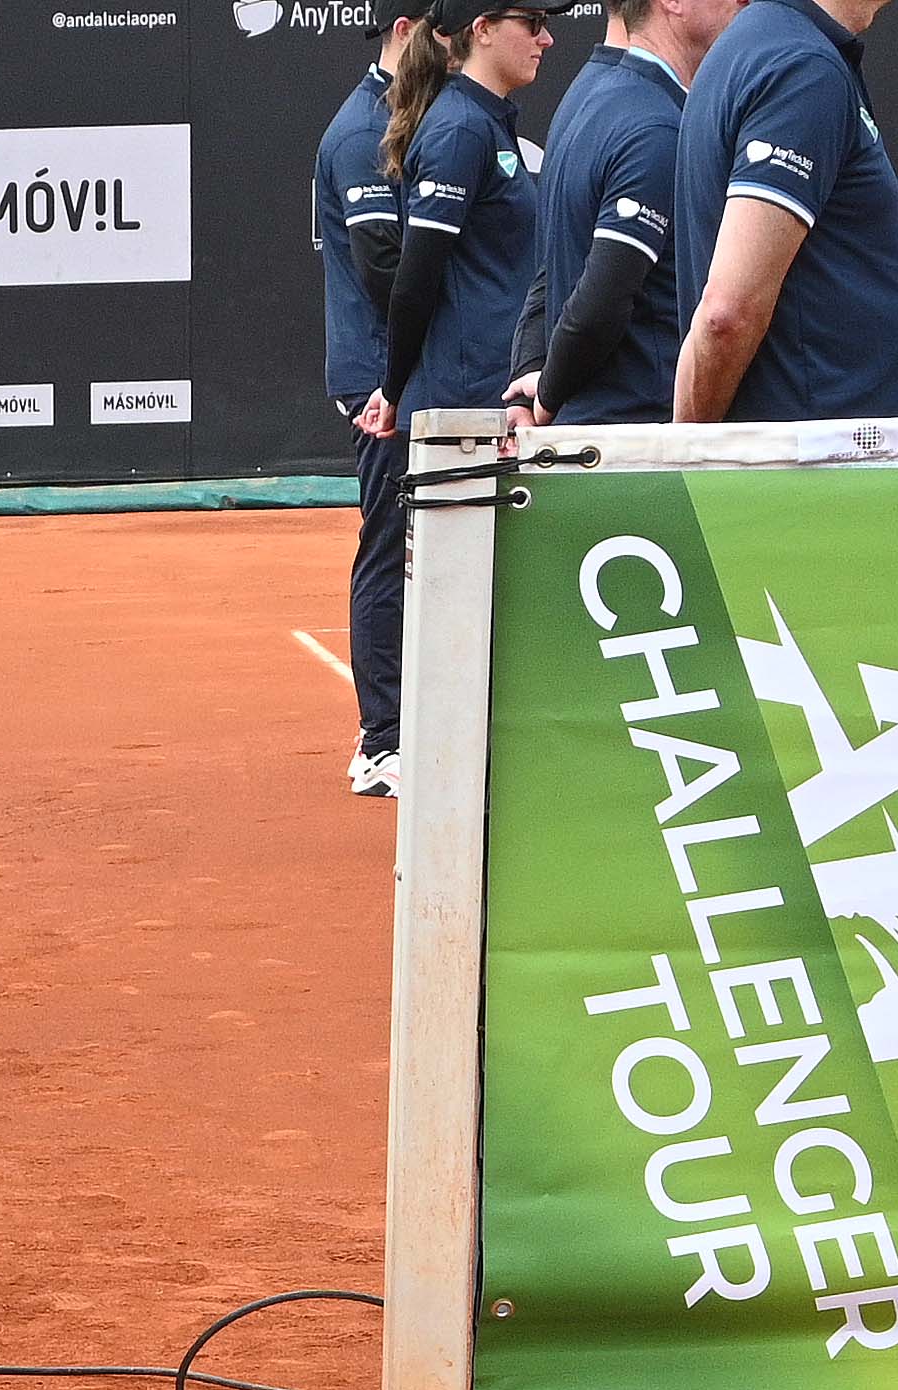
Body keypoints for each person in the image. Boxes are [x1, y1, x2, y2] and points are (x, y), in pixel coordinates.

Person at [673, 0, 898, 426]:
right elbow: (726, 313)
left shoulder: (770, 43)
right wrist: (691, 446)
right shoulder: (803, 68)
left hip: (812, 454)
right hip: (814, 463)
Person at [358, 0, 548, 484]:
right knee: (459, 560)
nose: (545, 40)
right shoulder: (460, 128)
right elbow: (415, 278)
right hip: (469, 412)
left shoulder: (482, 120)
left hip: (491, 401)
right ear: (481, 30)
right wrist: (395, 387)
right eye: (532, 24)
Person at [311, 9, 427, 798]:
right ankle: (381, 742)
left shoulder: (421, 116)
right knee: (391, 550)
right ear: (404, 27)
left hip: (419, 371)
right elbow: (386, 273)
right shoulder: (362, 131)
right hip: (386, 379)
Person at [530, 0, 740, 433]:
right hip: (633, 440)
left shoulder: (590, 95)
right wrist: (547, 398)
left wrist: (531, 374)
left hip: (601, 431)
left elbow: (549, 274)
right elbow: (599, 302)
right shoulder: (655, 127)